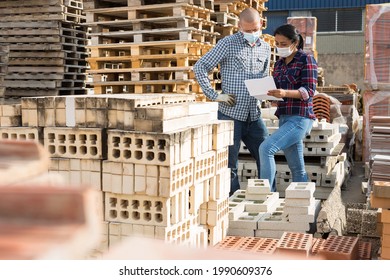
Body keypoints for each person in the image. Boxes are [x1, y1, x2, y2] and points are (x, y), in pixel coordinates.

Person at [194, 8, 271, 195]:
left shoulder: (266, 48)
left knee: (266, 155)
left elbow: (265, 76)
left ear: (261, 24)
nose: (253, 34)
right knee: (229, 163)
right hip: (230, 115)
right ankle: (232, 200)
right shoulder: (227, 44)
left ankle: (267, 194)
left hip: (254, 114)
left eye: (255, 30)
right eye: (248, 30)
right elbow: (200, 67)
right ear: (239, 27)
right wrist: (214, 95)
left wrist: (268, 95)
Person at [259, 24, 318, 192]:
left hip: (300, 118)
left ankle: (266, 196)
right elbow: (276, 89)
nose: (279, 47)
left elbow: (309, 91)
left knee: (266, 148)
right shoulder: (278, 64)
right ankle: (304, 203)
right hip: (284, 118)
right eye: (277, 43)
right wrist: (267, 94)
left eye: (283, 44)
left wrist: (285, 92)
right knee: (297, 168)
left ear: (295, 42)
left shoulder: (306, 59)